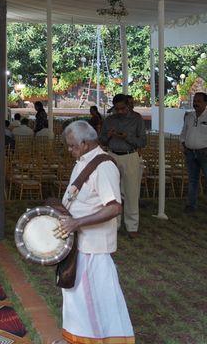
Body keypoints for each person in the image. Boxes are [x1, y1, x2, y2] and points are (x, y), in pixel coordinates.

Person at [54, 120, 134, 344]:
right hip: (80, 242)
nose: (69, 150)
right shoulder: (84, 160)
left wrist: (77, 222)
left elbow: (115, 207)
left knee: (91, 298)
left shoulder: (104, 166)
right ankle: (75, 338)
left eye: (72, 146)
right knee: (75, 296)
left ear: (86, 143)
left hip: (93, 247)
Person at [98, 94, 146, 238]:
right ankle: (114, 224)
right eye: (117, 109)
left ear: (128, 106)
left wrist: (127, 137)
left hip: (130, 156)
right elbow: (102, 140)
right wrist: (109, 136)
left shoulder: (137, 119)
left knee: (131, 192)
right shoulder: (109, 120)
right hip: (112, 155)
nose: (119, 112)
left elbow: (143, 142)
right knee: (112, 193)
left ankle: (132, 226)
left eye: (122, 108)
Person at [179, 92, 207, 212]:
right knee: (193, 180)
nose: (196, 103)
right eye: (195, 100)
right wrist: (184, 145)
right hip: (190, 153)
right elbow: (183, 132)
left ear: (206, 103)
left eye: (199, 101)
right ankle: (191, 205)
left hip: (204, 153)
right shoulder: (189, 116)